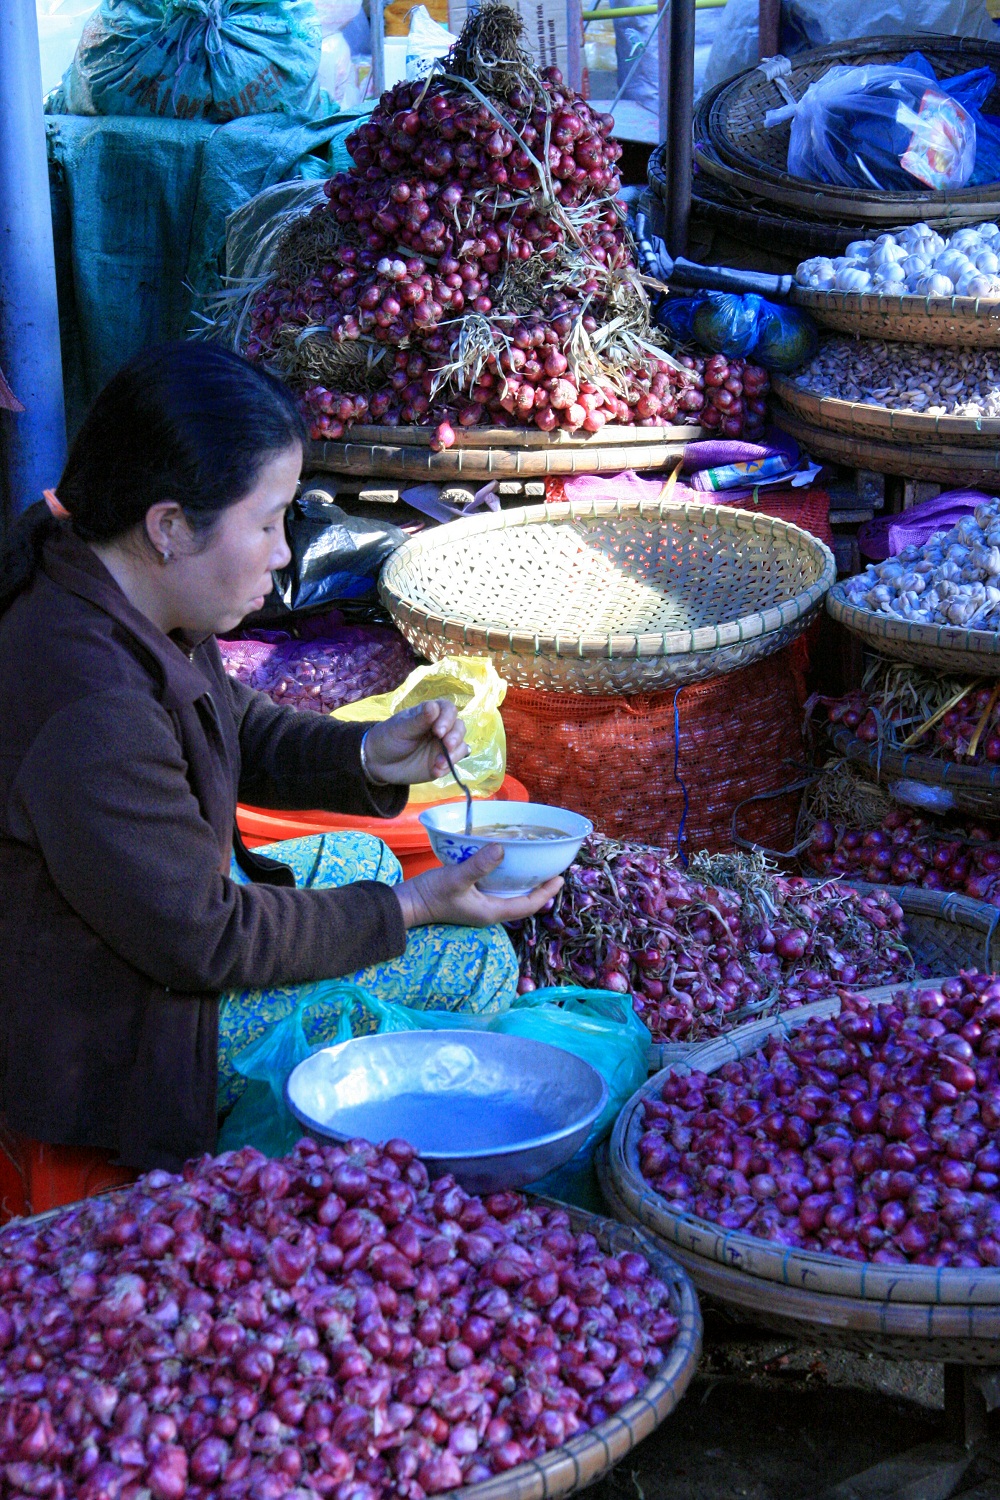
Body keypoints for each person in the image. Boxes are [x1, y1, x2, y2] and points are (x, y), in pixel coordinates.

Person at [0, 343, 560, 1171]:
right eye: (266, 523)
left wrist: (371, 751)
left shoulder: (122, 591)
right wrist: (413, 908)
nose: (283, 553)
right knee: (471, 960)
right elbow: (205, 940)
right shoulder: (91, 699)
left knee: (365, 851)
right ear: (169, 527)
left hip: (141, 931)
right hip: (113, 1028)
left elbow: (237, 724)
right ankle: (339, 1200)